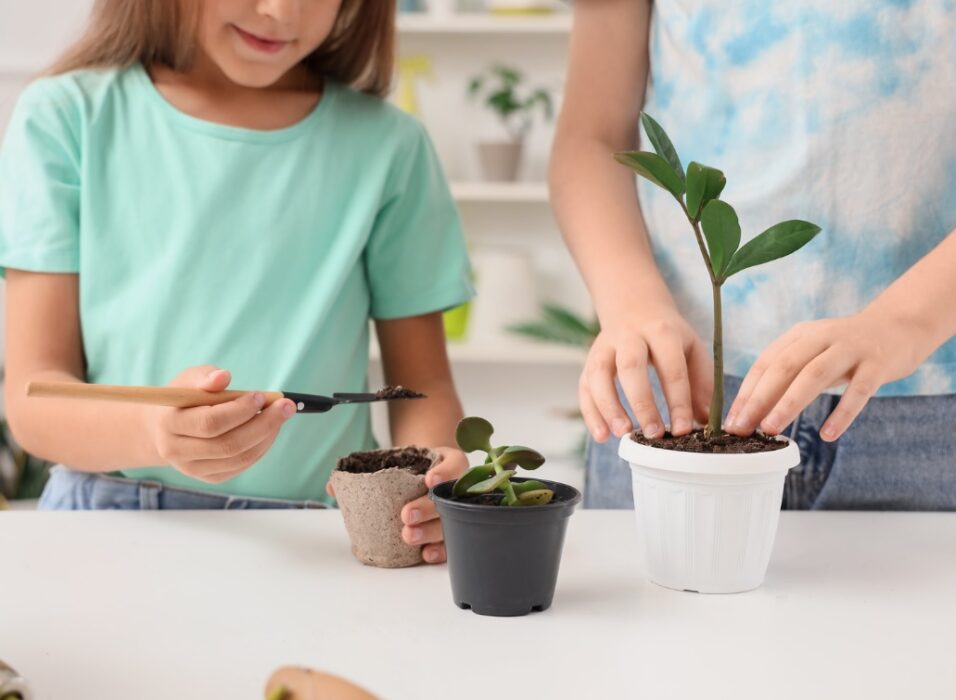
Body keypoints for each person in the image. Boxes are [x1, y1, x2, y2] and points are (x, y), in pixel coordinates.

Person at [0, 0, 473, 563]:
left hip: (316, 547)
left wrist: (434, 474)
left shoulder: (389, 146)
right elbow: (33, 399)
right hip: (102, 534)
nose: (279, 11)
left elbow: (421, 387)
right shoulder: (66, 117)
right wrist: (153, 433)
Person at [550, 0, 956, 509]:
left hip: (931, 402)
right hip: (675, 388)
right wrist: (633, 304)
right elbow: (592, 137)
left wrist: (904, 322)